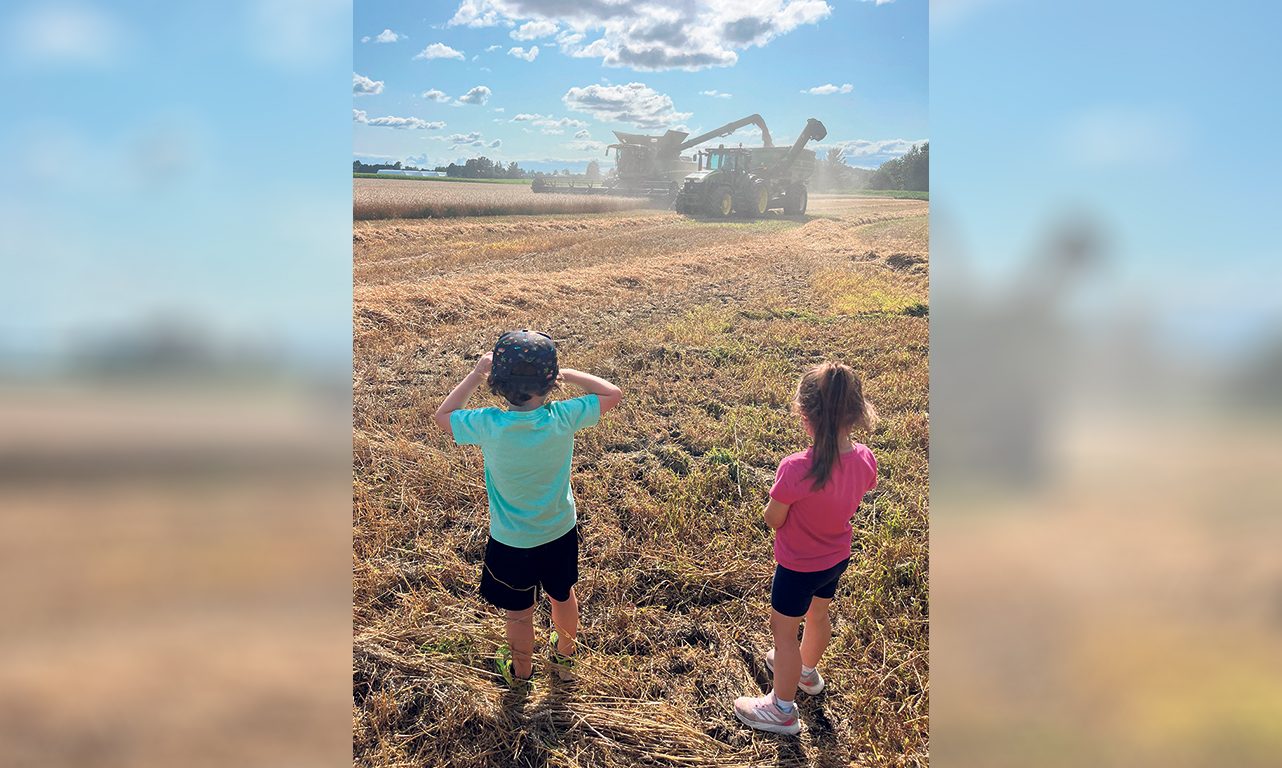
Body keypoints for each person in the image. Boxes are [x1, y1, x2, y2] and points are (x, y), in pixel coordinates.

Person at [434, 330, 622, 686]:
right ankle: (565, 657)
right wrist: (567, 373)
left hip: (510, 541)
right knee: (563, 595)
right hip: (559, 531)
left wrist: (474, 374)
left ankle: (522, 674)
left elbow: (444, 414)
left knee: (518, 615)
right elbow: (611, 393)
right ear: (550, 383)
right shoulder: (564, 417)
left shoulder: (488, 424)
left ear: (498, 383)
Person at [733, 362, 879, 734]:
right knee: (819, 616)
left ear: (804, 413)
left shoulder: (796, 468)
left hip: (797, 568)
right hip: (836, 559)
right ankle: (807, 672)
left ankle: (781, 709)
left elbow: (774, 519)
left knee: (784, 637)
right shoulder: (865, 458)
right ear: (858, 412)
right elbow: (863, 490)